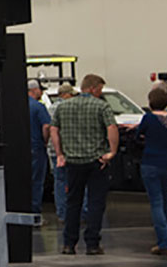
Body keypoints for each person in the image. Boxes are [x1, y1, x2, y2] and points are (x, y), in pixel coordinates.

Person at [51, 74, 118, 255]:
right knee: (96, 203)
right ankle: (92, 244)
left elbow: (53, 129)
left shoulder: (63, 107)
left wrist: (59, 154)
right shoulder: (102, 106)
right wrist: (111, 152)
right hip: (97, 162)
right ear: (94, 88)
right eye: (100, 89)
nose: (101, 93)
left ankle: (68, 244)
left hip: (73, 162)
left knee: (73, 203)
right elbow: (112, 128)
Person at [131, 89, 167, 255]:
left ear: (151, 102)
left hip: (151, 162)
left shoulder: (149, 118)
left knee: (156, 204)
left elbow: (138, 136)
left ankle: (163, 243)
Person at [48, 83, 78, 222]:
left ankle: (62, 212)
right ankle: (79, 212)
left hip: (54, 150)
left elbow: (49, 129)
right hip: (70, 149)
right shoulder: (71, 108)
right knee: (75, 181)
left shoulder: (50, 108)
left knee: (59, 181)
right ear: (65, 94)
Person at [28, 79, 51, 218]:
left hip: (20, 148)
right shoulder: (38, 107)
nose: (41, 92)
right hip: (36, 147)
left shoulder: (16, 105)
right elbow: (46, 126)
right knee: (36, 181)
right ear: (34, 90)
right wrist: (45, 141)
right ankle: (34, 211)